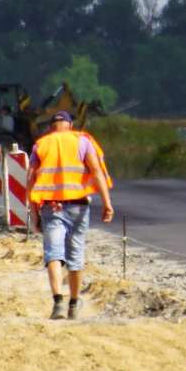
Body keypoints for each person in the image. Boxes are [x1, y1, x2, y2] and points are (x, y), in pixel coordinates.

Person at [26, 111, 114, 320]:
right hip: (79, 208)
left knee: (54, 254)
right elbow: (96, 171)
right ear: (70, 125)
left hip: (51, 207)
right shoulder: (82, 141)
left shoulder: (41, 145)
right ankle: (74, 303)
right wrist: (107, 203)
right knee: (75, 256)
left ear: (51, 127)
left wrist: (34, 213)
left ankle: (58, 303)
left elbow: (30, 179)